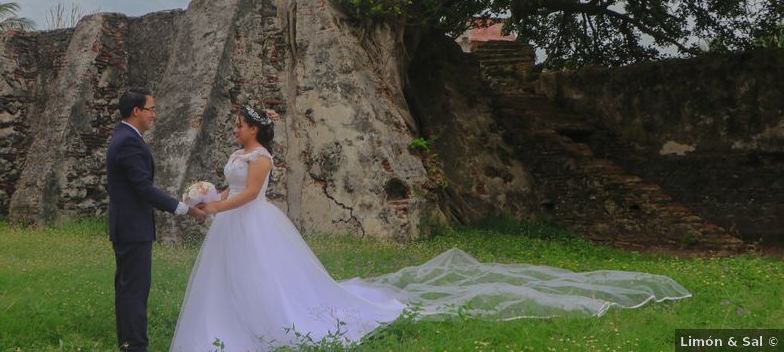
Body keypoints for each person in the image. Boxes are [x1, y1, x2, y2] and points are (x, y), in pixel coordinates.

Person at [171, 105, 692, 351]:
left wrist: (216, 207)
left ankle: (272, 323)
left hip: (252, 223)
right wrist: (205, 198)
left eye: (240, 123)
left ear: (255, 128)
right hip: (229, 225)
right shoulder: (239, 153)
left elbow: (247, 195)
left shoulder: (260, 157)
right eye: (236, 126)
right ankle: (227, 323)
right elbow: (226, 190)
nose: (235, 130)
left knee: (271, 281)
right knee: (226, 280)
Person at [107, 88, 205, 352]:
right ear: (136, 111)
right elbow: (143, 188)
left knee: (129, 289)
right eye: (151, 109)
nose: (154, 115)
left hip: (129, 225)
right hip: (132, 227)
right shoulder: (128, 140)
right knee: (134, 292)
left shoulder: (125, 136)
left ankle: (129, 343)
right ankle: (134, 346)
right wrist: (184, 208)